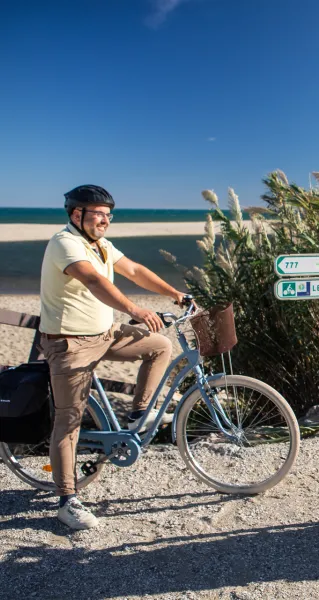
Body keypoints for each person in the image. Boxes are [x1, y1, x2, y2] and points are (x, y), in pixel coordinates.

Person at [39, 185, 193, 530]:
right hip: (70, 343)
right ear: (76, 214)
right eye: (99, 214)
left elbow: (134, 270)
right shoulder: (65, 243)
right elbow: (93, 280)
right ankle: (67, 501)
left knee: (159, 346)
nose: (105, 221)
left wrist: (175, 294)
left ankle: (139, 413)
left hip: (104, 334)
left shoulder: (101, 245)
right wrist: (135, 310)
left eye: (109, 215)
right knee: (69, 421)